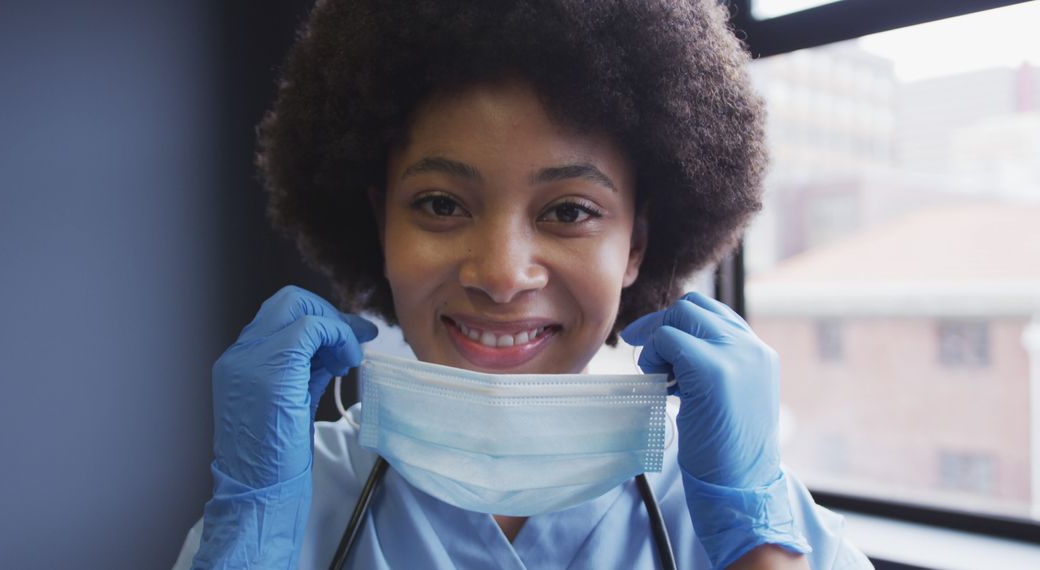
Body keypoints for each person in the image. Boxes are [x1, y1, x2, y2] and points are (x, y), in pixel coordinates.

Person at [173, 1, 874, 568]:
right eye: (441, 204)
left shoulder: (769, 530)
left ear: (637, 244)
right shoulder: (281, 509)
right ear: (378, 225)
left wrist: (756, 548)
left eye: (569, 211)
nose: (503, 276)